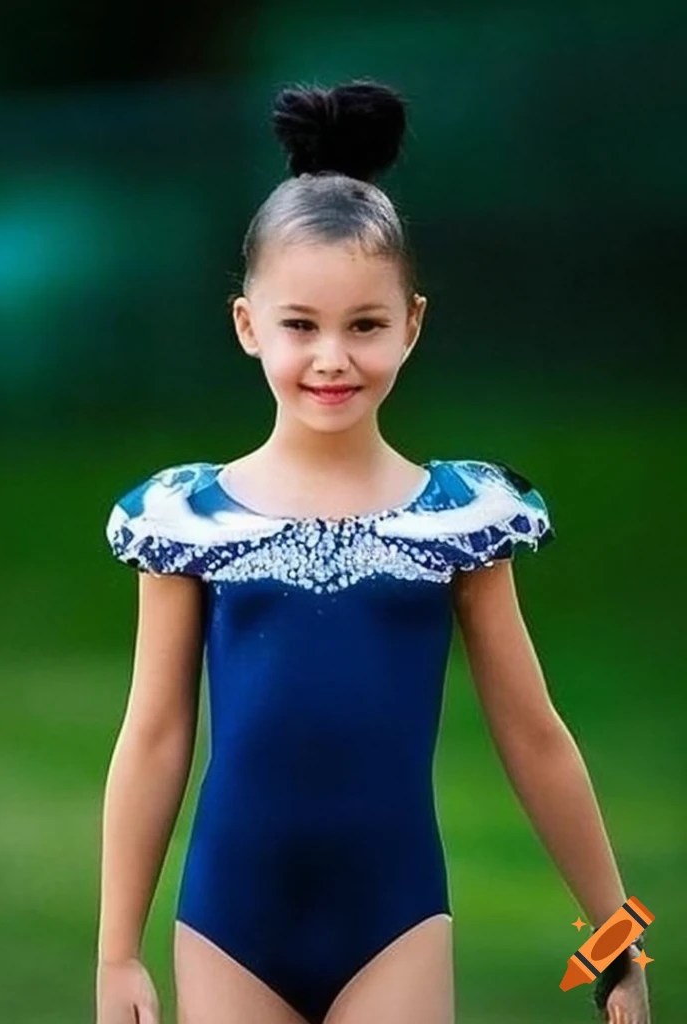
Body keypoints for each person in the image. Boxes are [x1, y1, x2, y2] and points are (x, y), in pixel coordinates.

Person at [95, 79, 650, 1024]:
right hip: (229, 927)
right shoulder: (191, 522)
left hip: (393, 927)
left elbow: (533, 732)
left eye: (365, 325)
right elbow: (152, 738)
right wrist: (116, 957)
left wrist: (614, 935)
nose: (331, 359)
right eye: (299, 325)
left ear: (413, 324)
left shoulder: (457, 521)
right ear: (247, 326)